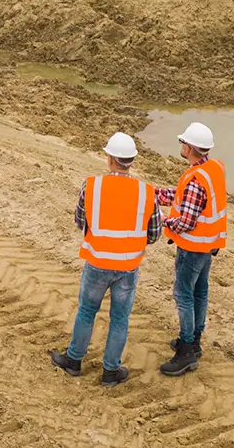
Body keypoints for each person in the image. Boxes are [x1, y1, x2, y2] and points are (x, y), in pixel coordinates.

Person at [51, 132, 162, 385]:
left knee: (87, 312)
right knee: (120, 319)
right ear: (131, 161)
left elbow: (81, 220)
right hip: (127, 266)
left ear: (110, 158)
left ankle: (74, 360)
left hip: (98, 262)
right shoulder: (147, 192)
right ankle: (110, 371)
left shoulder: (92, 186)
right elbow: (154, 233)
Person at [158, 121, 226, 377]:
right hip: (208, 246)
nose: (181, 145)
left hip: (192, 248)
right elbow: (186, 197)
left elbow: (186, 221)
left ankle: (186, 351)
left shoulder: (196, 179)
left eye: (183, 142)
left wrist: (162, 220)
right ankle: (195, 342)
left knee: (183, 295)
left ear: (191, 147)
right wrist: (159, 194)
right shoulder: (212, 168)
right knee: (200, 292)